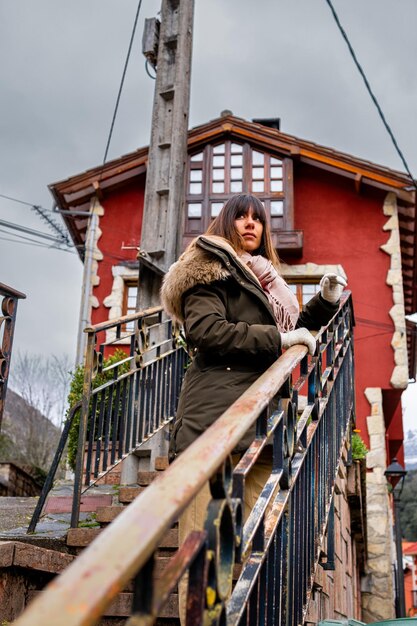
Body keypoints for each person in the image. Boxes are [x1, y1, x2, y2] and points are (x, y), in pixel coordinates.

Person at [160, 193, 346, 619]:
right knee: (208, 552)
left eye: (257, 219)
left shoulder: (265, 281)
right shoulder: (206, 271)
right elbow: (208, 331)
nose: (250, 225)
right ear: (225, 224)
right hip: (216, 424)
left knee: (267, 546)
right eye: (240, 217)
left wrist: (325, 302)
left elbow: (290, 333)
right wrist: (280, 341)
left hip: (264, 425)